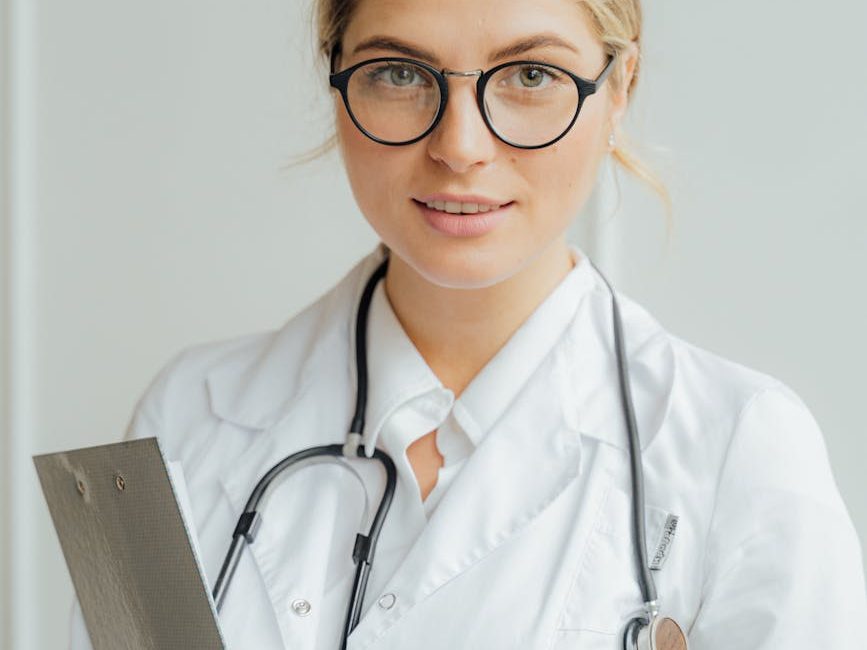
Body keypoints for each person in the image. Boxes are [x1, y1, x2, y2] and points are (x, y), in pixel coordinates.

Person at [69, 0, 867, 648]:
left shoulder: (740, 449)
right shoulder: (181, 419)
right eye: (398, 72)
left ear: (618, 88)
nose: (459, 145)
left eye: (529, 75)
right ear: (336, 78)